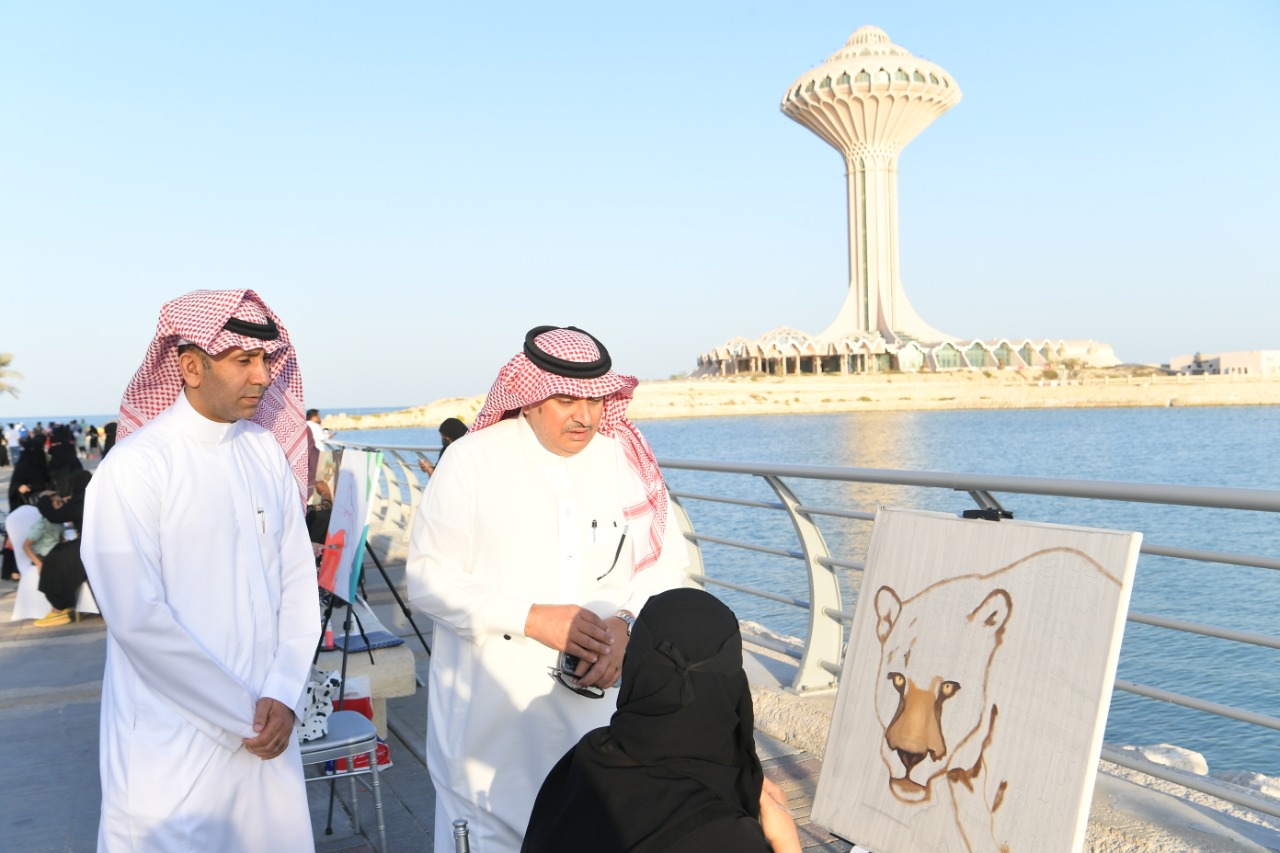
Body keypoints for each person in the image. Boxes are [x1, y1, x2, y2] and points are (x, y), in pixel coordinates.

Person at [406, 325, 690, 853]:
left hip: (600, 733)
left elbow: (668, 566)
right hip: (491, 739)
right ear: (530, 399)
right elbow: (425, 577)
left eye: (594, 399)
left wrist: (629, 626)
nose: (584, 415)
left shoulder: (624, 461)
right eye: (565, 400)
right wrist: (531, 618)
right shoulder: (471, 461)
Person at [82, 289, 320, 852]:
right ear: (190, 367)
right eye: (244, 360)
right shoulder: (136, 467)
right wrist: (246, 714)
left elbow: (296, 583)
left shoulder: (265, 451)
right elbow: (137, 618)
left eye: (266, 359)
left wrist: (285, 692)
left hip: (269, 734)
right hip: (175, 744)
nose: (262, 376)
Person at [522, 588, 801, 853]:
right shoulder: (728, 836)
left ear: (636, 671)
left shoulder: (581, 763)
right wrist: (787, 841)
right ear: (731, 685)